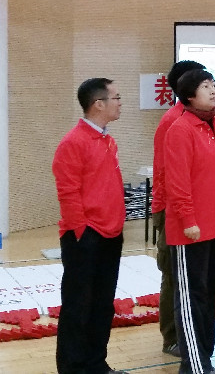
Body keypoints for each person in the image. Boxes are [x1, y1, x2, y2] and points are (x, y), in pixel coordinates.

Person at [53, 78, 127, 374]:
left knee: (102, 304)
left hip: (111, 233)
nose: (120, 103)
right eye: (116, 97)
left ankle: (96, 364)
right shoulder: (73, 142)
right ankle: (72, 368)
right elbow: (67, 192)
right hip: (85, 236)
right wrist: (82, 232)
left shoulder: (108, 140)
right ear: (98, 104)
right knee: (78, 306)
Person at [164, 69, 215, 374]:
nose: (214, 90)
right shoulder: (180, 129)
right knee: (191, 297)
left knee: (208, 293)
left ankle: (204, 359)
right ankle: (194, 365)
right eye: (206, 86)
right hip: (190, 229)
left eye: (214, 85)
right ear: (189, 96)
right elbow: (177, 182)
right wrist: (188, 219)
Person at [152, 60, 204, 358]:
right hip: (172, 207)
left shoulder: (201, 118)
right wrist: (171, 211)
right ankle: (172, 337)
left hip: (196, 207)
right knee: (174, 274)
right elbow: (167, 173)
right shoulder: (174, 120)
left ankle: (191, 332)